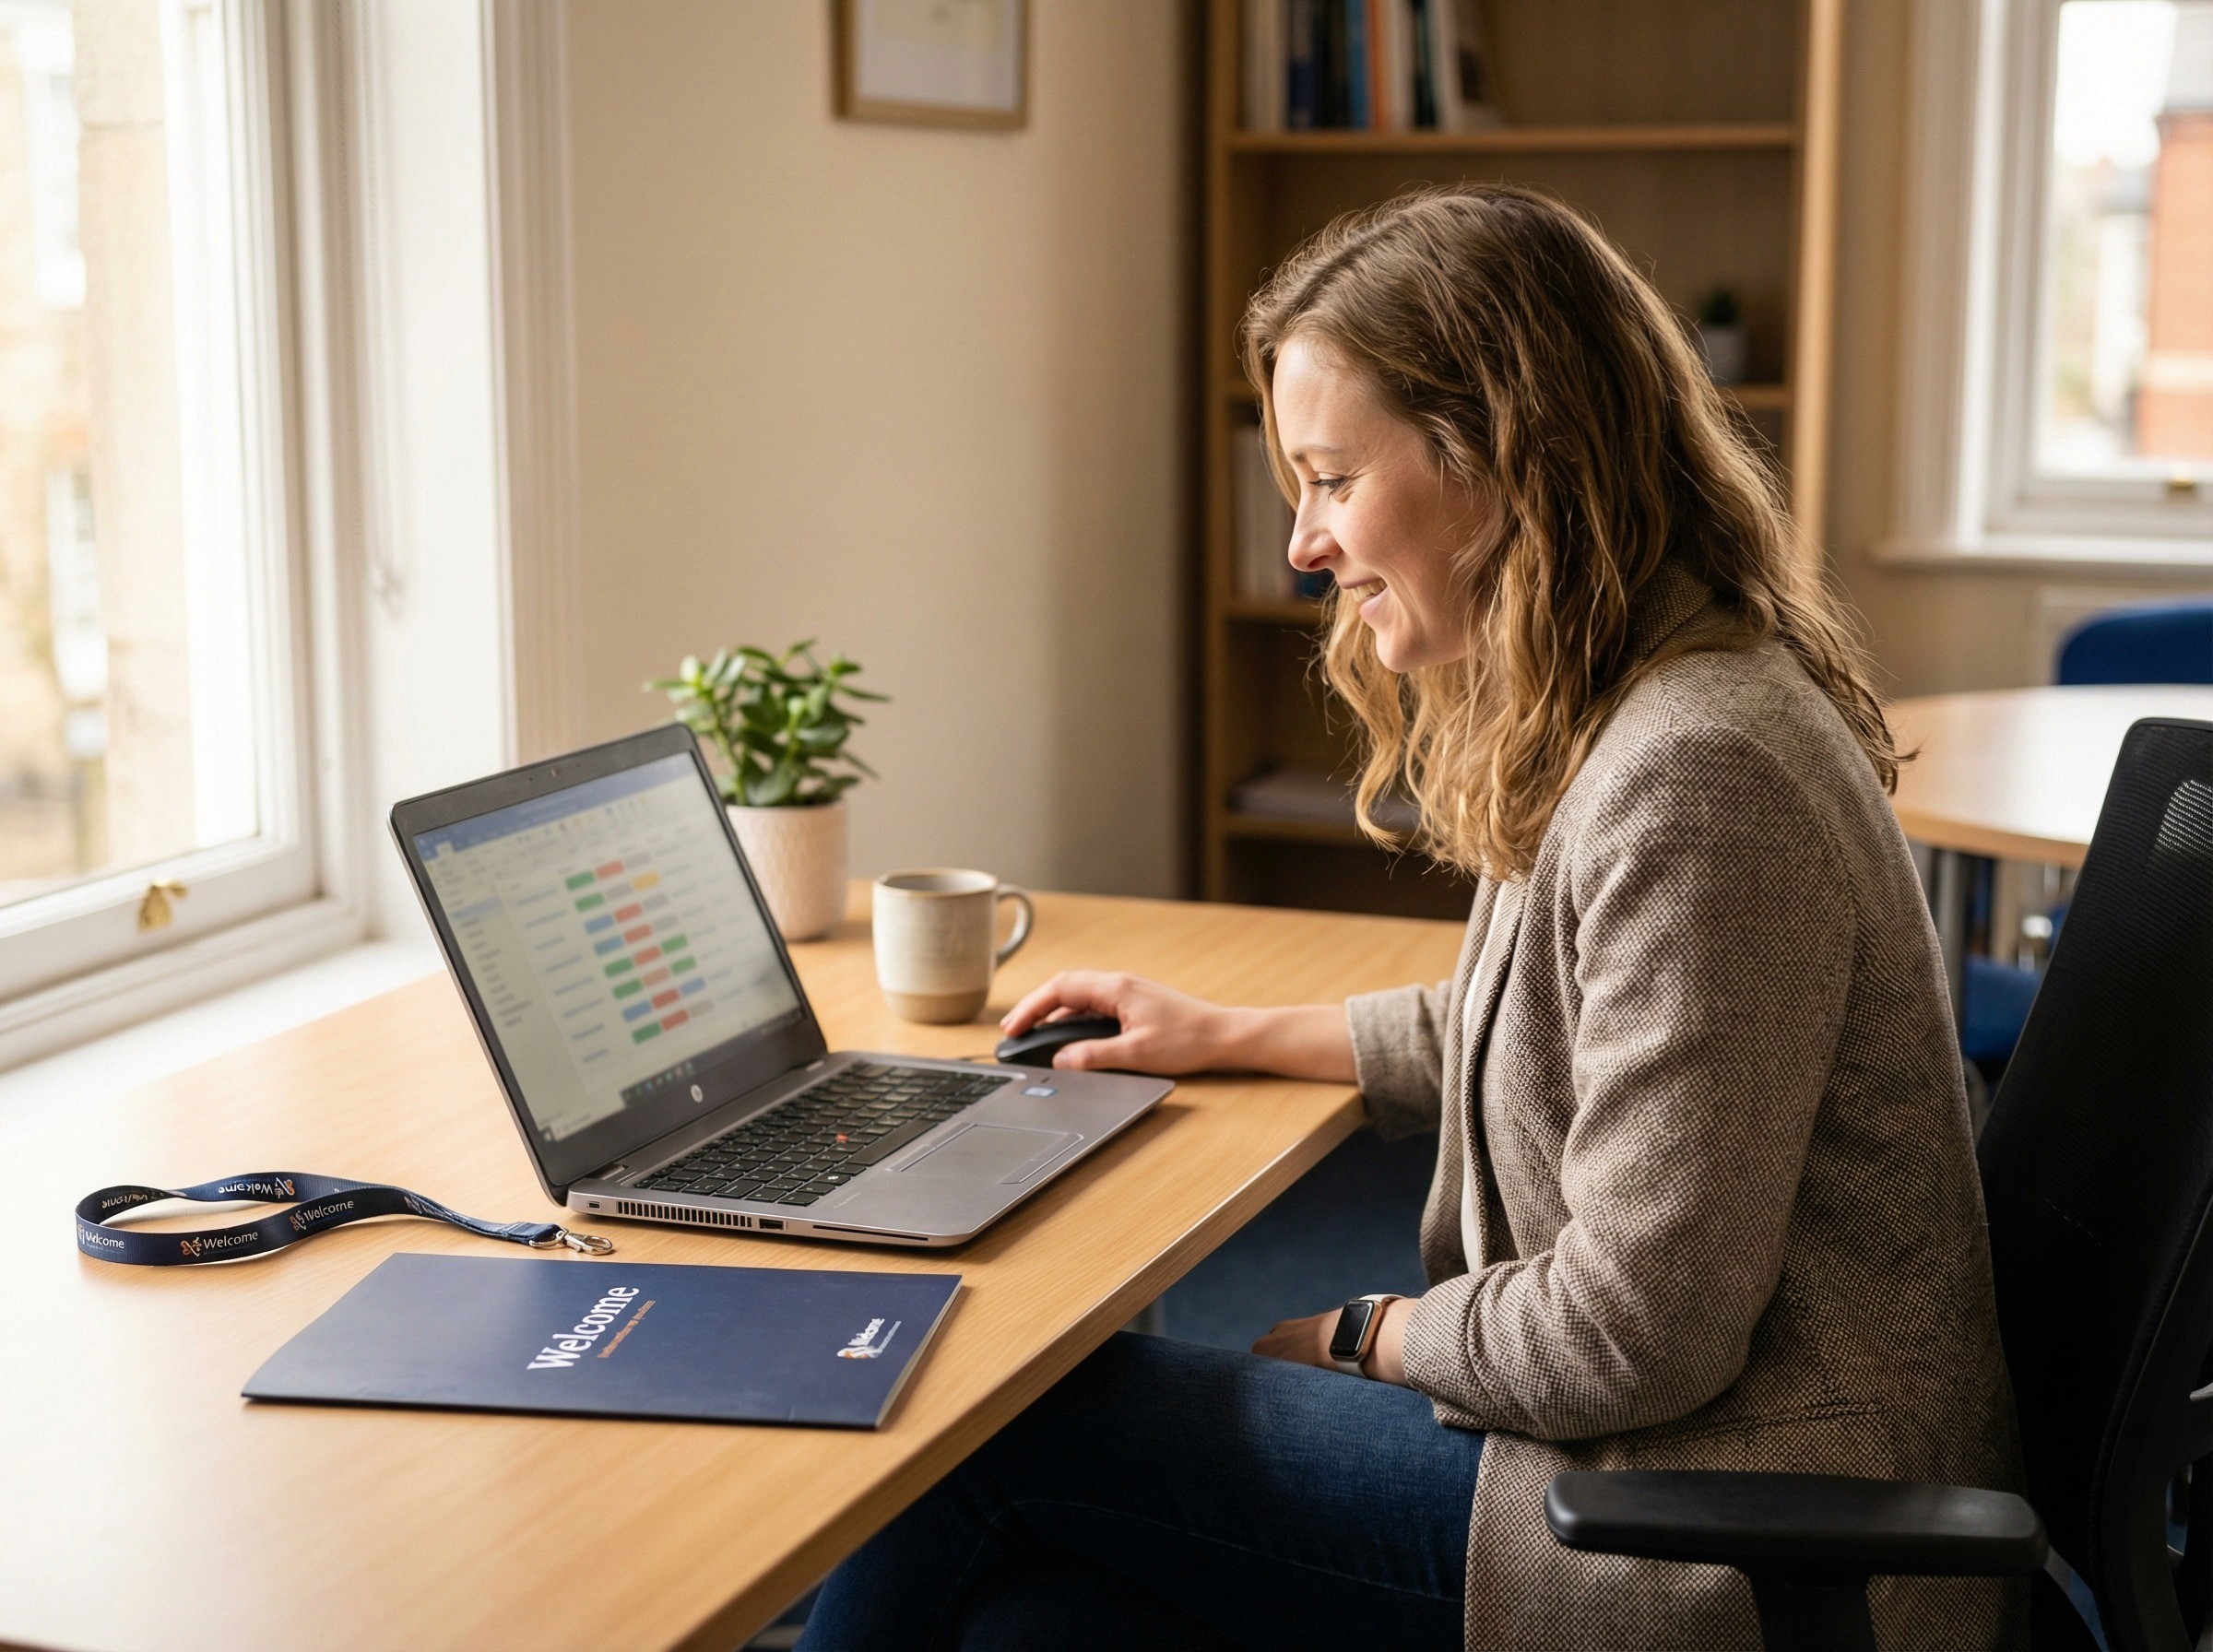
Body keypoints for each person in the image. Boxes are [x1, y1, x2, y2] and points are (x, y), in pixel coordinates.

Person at [798, 183, 2023, 1652]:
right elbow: (1562, 1033)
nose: (1305, 546)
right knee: (1033, 1612)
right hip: (1689, 1458)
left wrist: (1363, 1336)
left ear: (1506, 458)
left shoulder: (1698, 775)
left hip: (1723, 1531)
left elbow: (1631, 1333)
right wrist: (1228, 1031)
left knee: (996, 1433)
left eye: (1329, 478)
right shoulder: (1640, 699)